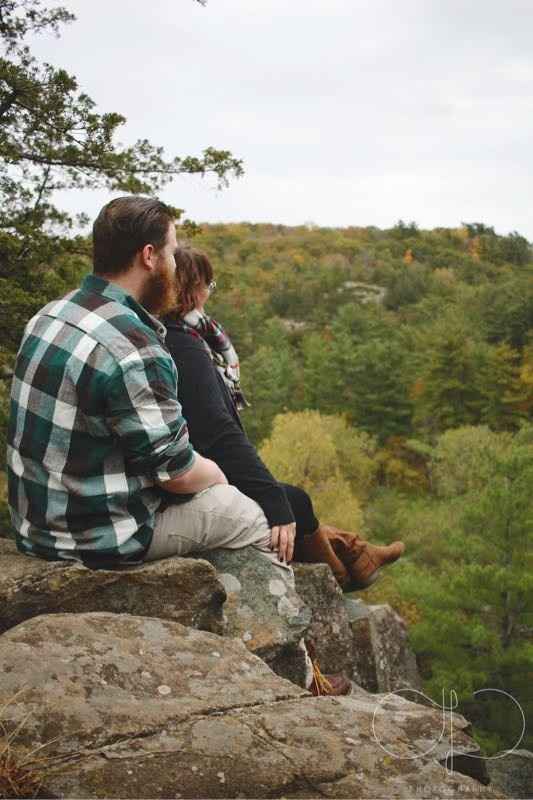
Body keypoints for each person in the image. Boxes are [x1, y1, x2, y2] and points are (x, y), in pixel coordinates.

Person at [6, 196, 290, 573]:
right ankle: (268, 619)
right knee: (249, 514)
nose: (175, 266)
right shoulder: (134, 346)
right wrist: (220, 479)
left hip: (35, 528)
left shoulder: (53, 313)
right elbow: (178, 474)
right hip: (99, 538)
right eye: (172, 254)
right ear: (149, 256)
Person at [164, 247, 405, 592]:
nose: (208, 293)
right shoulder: (184, 344)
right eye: (207, 284)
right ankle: (339, 580)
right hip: (199, 474)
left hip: (200, 468)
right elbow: (216, 430)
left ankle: (357, 553)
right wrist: (270, 498)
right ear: (192, 288)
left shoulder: (188, 339)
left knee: (292, 498)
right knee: (293, 501)